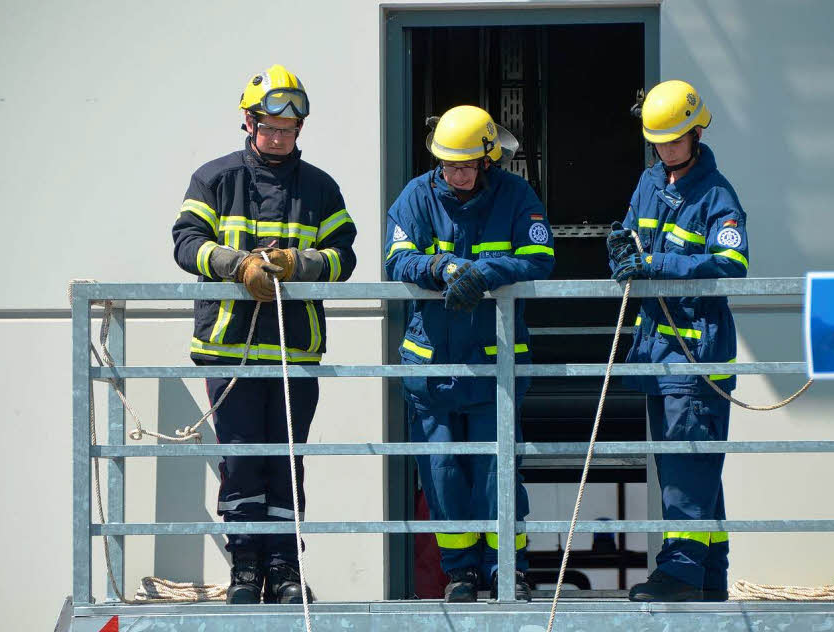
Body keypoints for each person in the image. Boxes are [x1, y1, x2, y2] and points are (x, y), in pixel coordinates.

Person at [171, 65, 357, 604]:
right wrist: (234, 264)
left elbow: (344, 256)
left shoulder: (321, 188)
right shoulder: (215, 178)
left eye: (288, 130)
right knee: (241, 457)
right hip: (228, 349)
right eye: (270, 127)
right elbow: (186, 242)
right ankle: (246, 566)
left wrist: (298, 263)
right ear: (249, 122)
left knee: (286, 457)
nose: (278, 138)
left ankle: (284, 566)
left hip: (295, 348)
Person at [385, 105, 555, 602]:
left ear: (488, 160)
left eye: (465, 165)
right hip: (432, 368)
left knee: (496, 472)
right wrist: (440, 268)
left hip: (495, 366)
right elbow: (397, 258)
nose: (455, 174)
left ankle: (508, 569)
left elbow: (540, 257)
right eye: (447, 165)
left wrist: (487, 273)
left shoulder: (516, 195)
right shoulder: (417, 195)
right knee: (441, 474)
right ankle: (461, 572)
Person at [606, 80, 748, 602]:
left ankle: (681, 574)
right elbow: (627, 238)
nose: (666, 149)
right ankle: (708, 575)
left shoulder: (717, 195)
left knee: (687, 465)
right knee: (689, 464)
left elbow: (732, 264)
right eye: (658, 141)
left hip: (696, 355)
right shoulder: (649, 183)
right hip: (657, 353)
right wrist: (620, 253)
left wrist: (657, 264)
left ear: (696, 131)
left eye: (674, 140)